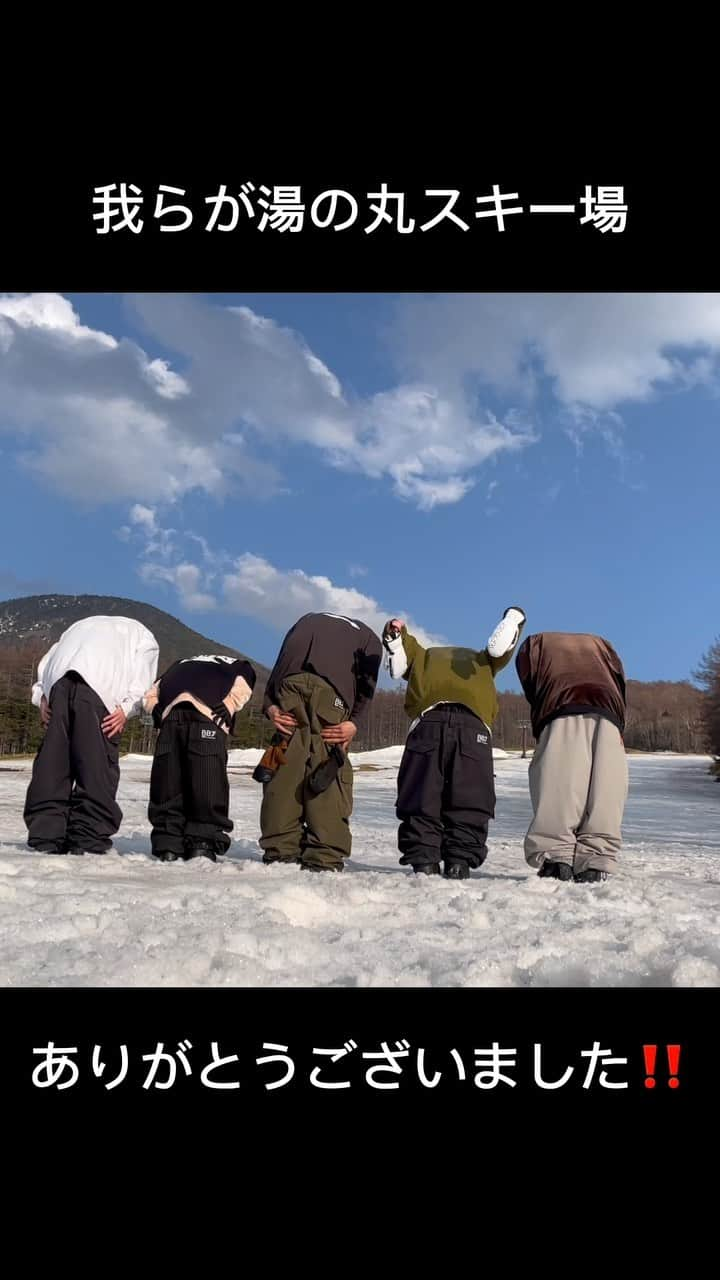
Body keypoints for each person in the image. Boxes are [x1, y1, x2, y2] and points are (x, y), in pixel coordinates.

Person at [382, 607, 526, 879]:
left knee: (421, 793)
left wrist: (396, 636)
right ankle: (459, 861)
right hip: (473, 725)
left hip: (428, 721)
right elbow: (498, 653)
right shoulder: (482, 661)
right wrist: (513, 619)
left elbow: (399, 666)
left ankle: (424, 861)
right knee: (470, 795)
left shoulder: (423, 656)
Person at [24, 615, 159, 856]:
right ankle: (87, 839)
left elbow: (48, 661)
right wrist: (128, 709)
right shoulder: (141, 633)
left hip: (59, 683)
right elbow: (142, 677)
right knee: (95, 765)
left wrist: (42, 696)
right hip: (99, 688)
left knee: (53, 763)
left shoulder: (77, 625)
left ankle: (46, 836)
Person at [259, 612, 383, 872]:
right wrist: (354, 721)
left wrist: (270, 706)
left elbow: (280, 664)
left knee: (285, 761)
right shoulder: (369, 638)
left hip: (288, 684)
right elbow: (367, 685)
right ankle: (324, 855)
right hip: (330, 692)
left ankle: (280, 850)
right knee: (326, 764)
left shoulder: (305, 619)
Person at [515, 631, 628, 883]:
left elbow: (528, 675)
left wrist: (541, 712)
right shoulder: (602, 644)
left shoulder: (536, 644)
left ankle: (556, 855)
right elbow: (619, 676)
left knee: (560, 783)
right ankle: (596, 858)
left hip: (561, 702)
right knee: (605, 787)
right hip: (608, 708)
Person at [143, 653, 257, 862]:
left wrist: (158, 710)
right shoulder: (237, 664)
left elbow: (150, 694)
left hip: (171, 720)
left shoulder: (178, 663)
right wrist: (230, 706)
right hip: (209, 717)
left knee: (167, 783)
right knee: (207, 782)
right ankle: (202, 843)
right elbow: (245, 683)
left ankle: (168, 843)